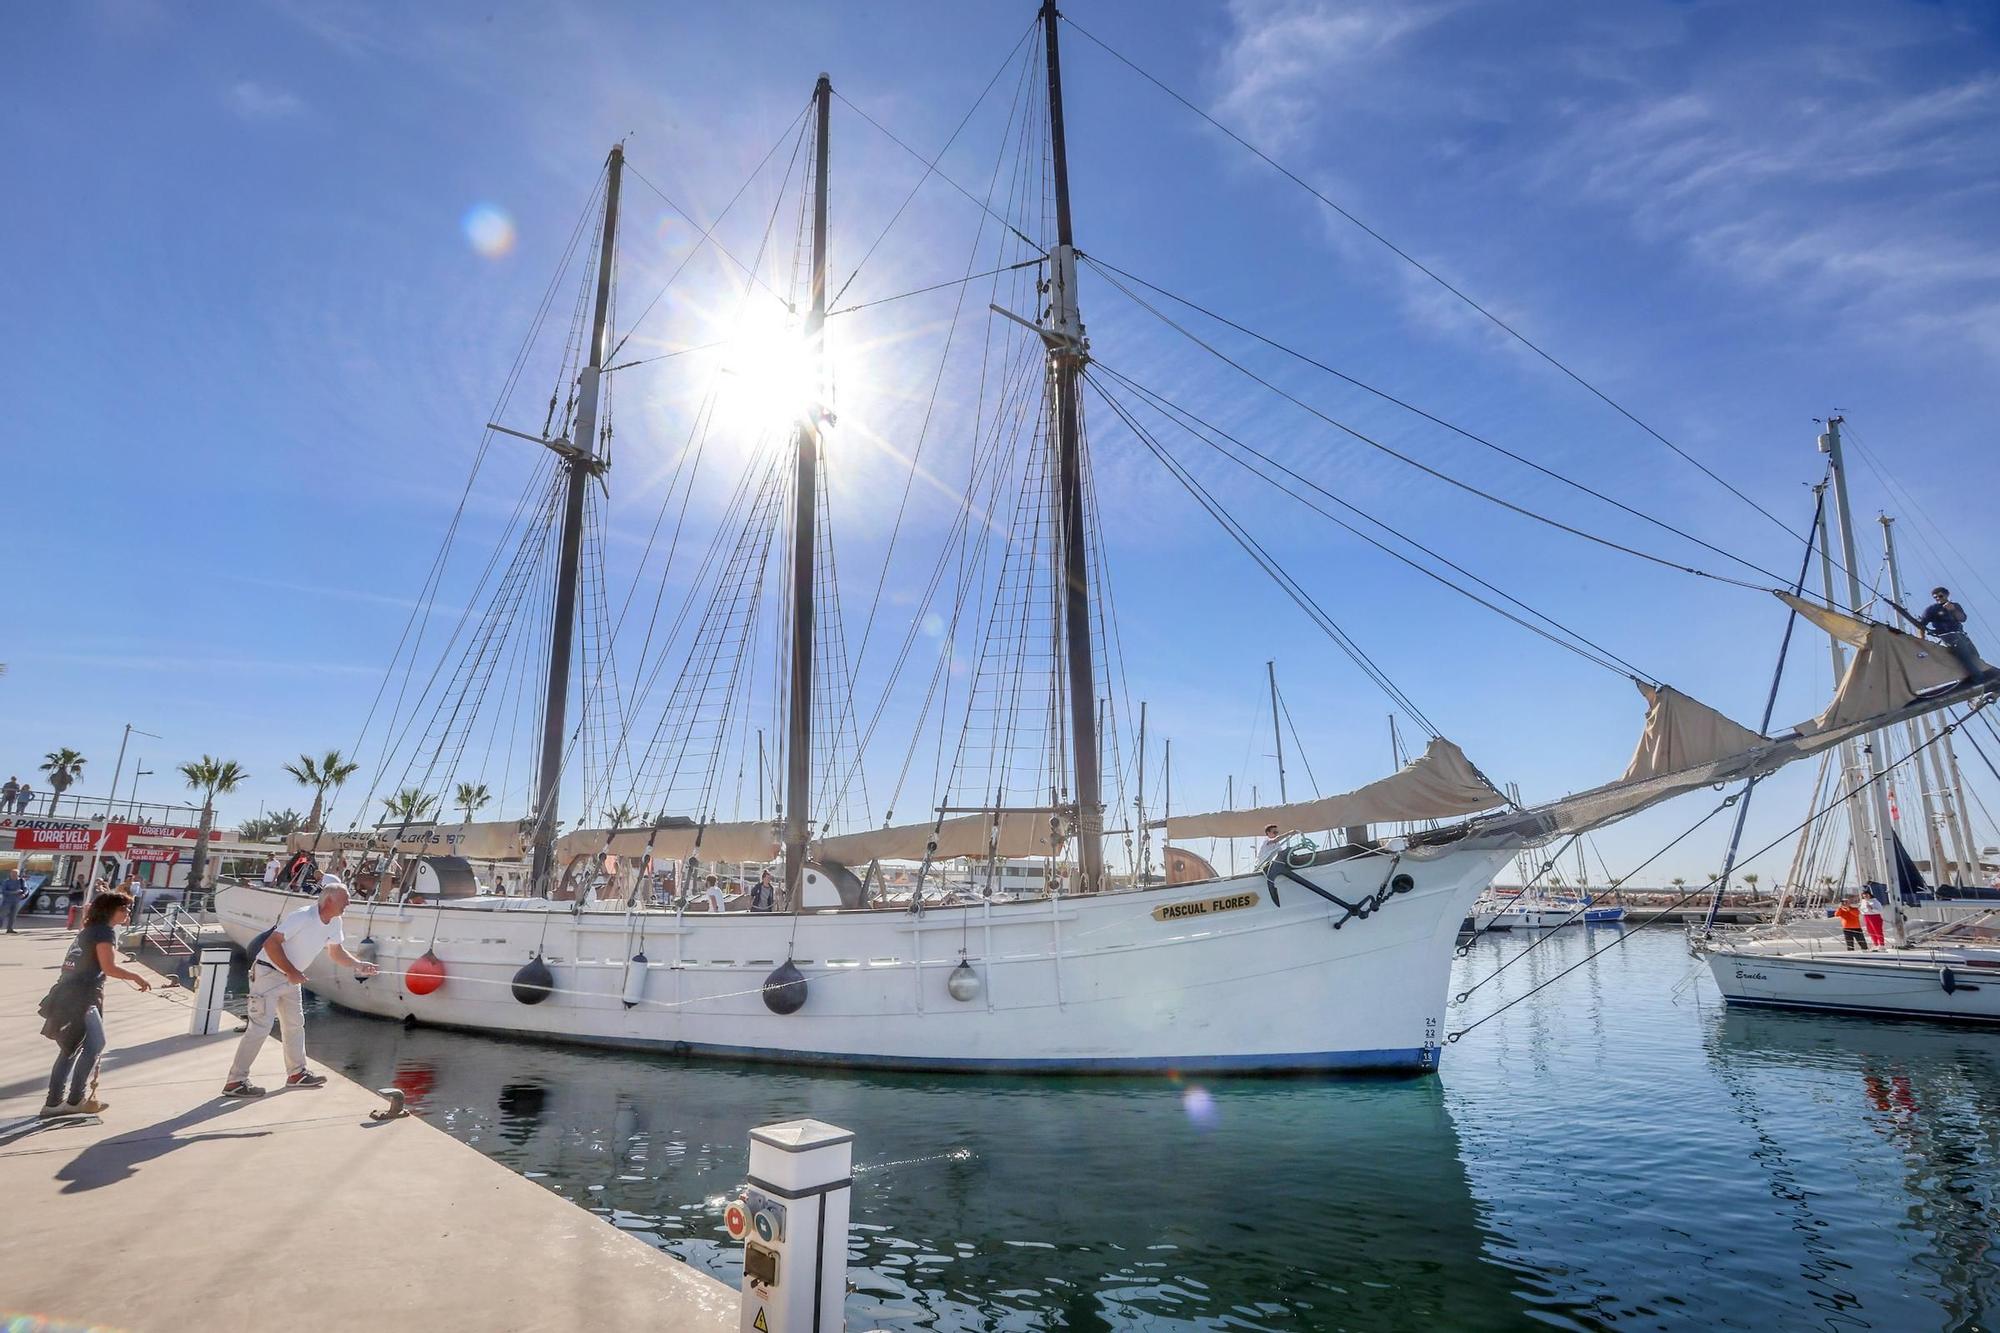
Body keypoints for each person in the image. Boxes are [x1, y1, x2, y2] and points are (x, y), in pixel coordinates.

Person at [221, 878, 377, 1098]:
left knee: (295, 1025)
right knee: (260, 1027)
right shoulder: (303, 916)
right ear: (329, 900)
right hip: (268, 974)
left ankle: (297, 1074)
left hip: (289, 977)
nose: (349, 904)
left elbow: (336, 952)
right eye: (345, 900)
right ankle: (235, 1081)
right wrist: (291, 972)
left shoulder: (334, 922)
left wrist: (359, 965)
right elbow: (270, 944)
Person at [38, 888, 150, 1117]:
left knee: (71, 1049)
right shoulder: (104, 933)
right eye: (124, 908)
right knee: (93, 1045)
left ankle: (57, 1102)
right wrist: (136, 976)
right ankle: (72, 1099)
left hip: (68, 994)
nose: (128, 911)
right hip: (82, 997)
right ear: (111, 911)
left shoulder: (89, 930)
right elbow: (109, 967)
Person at [1893, 587, 1984, 677]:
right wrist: (1922, 640)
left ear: (1946, 595)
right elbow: (1921, 625)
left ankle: (1984, 673)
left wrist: (1953, 609)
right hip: (1948, 637)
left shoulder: (1955, 605)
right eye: (1935, 597)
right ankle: (1978, 678)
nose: (1938, 599)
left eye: (1940, 596)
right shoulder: (1932, 609)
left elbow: (1962, 618)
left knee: (1975, 656)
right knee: (1965, 658)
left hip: (1961, 635)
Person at [2, 866, 26, 933]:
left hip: (17, 901)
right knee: (2, 915)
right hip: (7, 901)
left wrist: (24, 894)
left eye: (15, 874)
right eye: (12, 874)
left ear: (18, 874)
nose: (13, 875)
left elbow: (25, 889)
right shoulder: (6, 882)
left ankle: (10, 929)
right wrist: (14, 892)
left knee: (13, 915)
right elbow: (3, 891)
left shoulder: (21, 881)